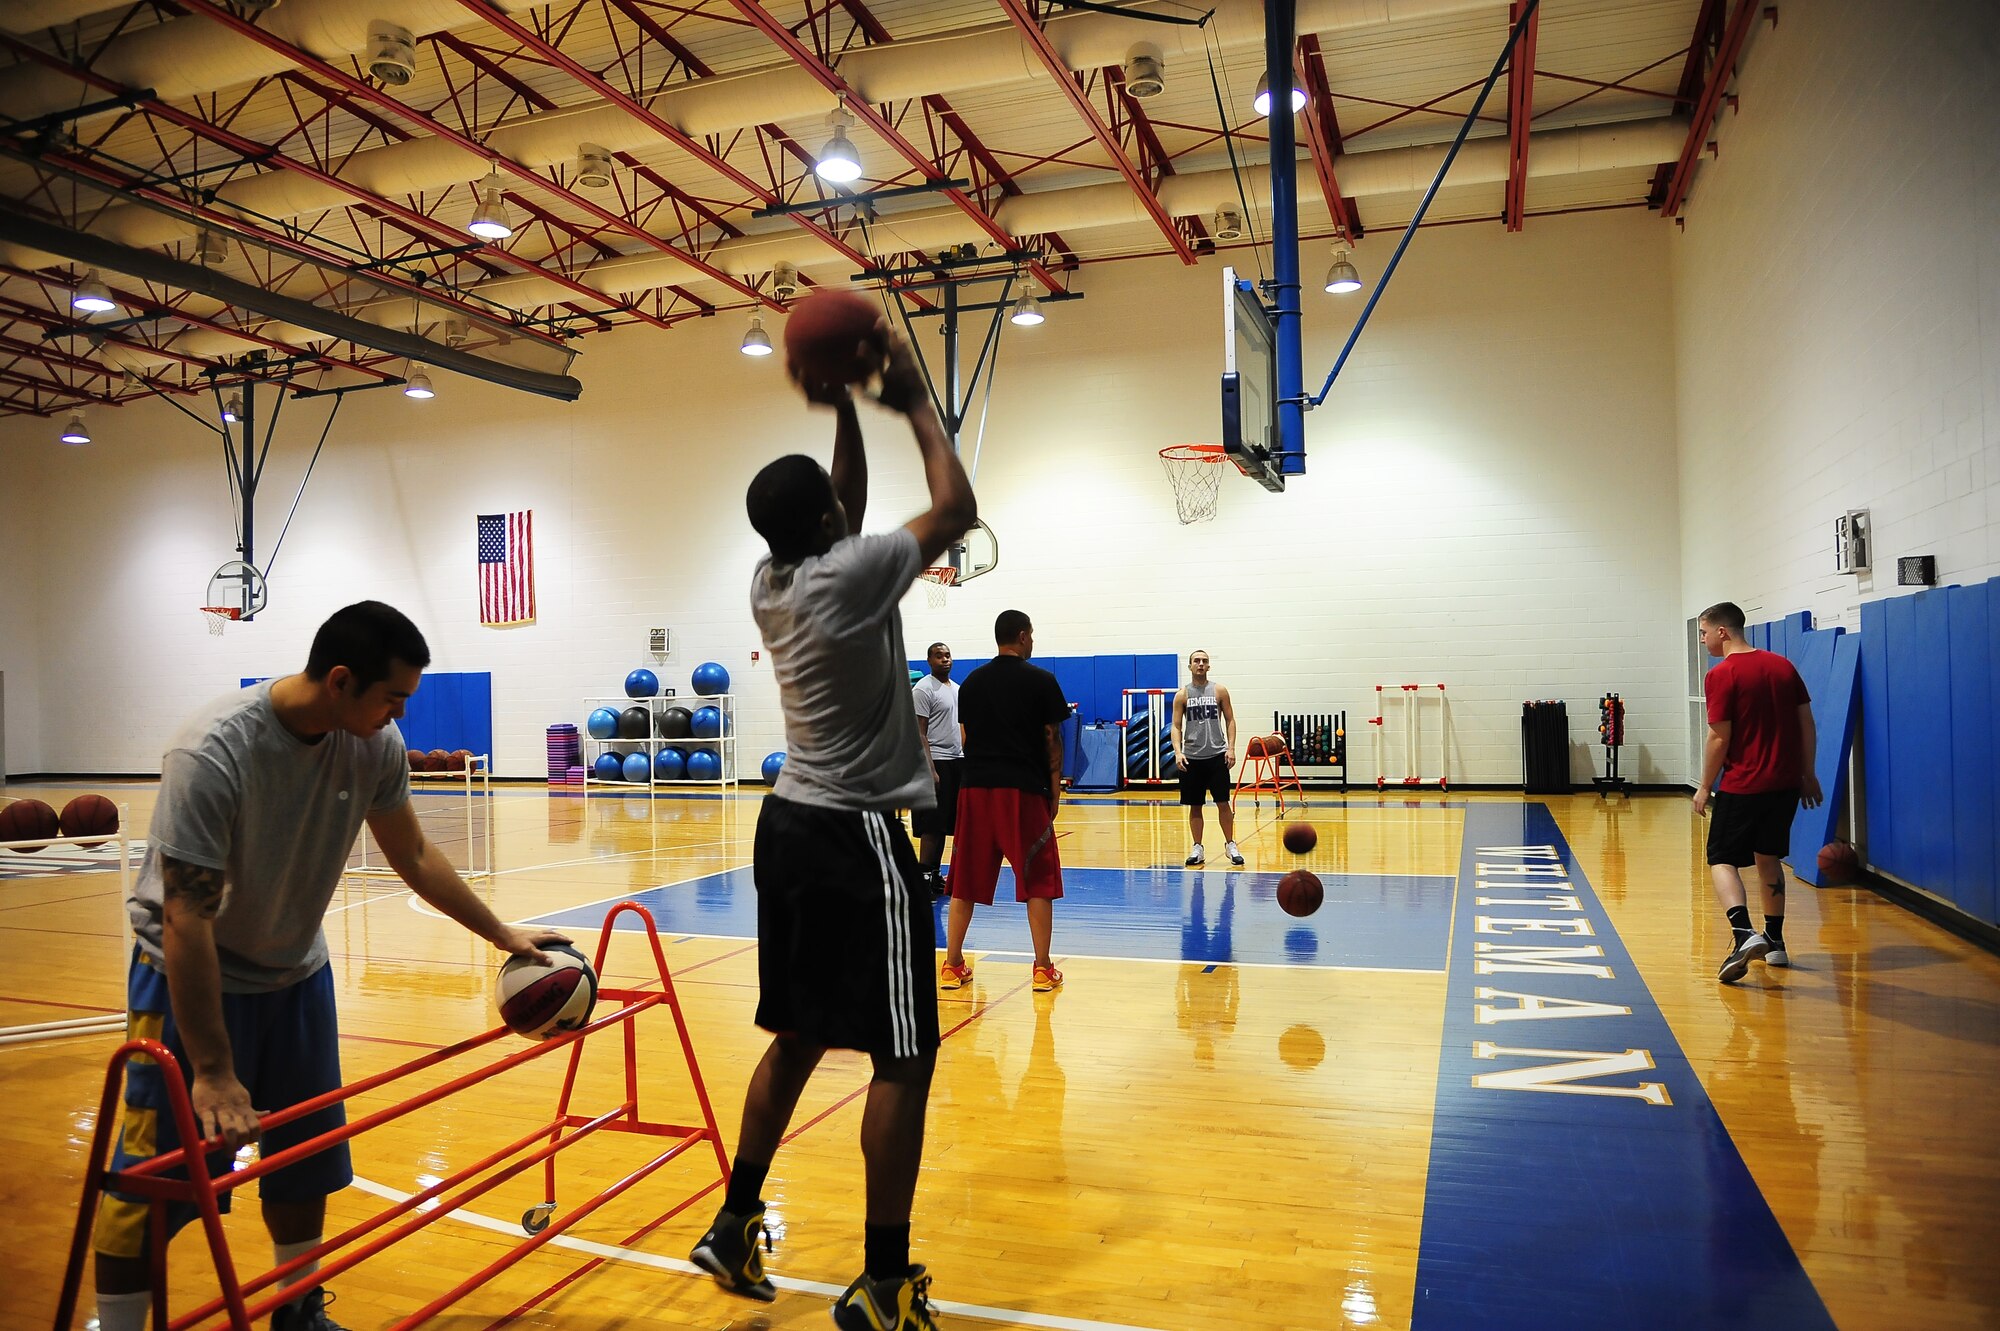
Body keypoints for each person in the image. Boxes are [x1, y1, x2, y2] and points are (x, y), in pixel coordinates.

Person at [91, 601, 569, 1331]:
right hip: (191, 979)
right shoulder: (214, 752)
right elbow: (188, 918)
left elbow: (411, 854)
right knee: (156, 1180)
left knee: (304, 1159)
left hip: (297, 975)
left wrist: (501, 933)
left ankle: (297, 1309)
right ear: (341, 680)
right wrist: (214, 1067)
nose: (400, 713)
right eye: (393, 697)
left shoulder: (373, 743)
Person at [689, 322, 974, 1331]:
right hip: (856, 837)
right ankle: (883, 1281)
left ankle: (731, 1218)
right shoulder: (849, 577)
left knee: (801, 1032)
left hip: (786, 827)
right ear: (823, 523)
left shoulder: (772, 580)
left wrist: (838, 409)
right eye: (834, 508)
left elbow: (839, 502)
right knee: (904, 1054)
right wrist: (905, 400)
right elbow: (956, 508)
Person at [938, 610, 1071, 994]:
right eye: (1032, 636)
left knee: (963, 880)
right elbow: (1053, 741)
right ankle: (1043, 970)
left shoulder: (972, 684)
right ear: (1024, 636)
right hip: (1023, 791)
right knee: (1038, 881)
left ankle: (952, 965)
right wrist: (1054, 791)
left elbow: (966, 737)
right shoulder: (1042, 681)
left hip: (974, 790)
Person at [1692, 601, 1822, 984]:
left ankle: (1742, 934)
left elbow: (1719, 736)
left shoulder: (1723, 674)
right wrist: (1808, 774)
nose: (1702, 640)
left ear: (1722, 631)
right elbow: (1807, 724)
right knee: (1769, 858)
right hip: (1784, 785)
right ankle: (1776, 943)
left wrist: (1703, 786)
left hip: (1743, 784)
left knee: (1720, 857)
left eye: (1703, 632)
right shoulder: (1783, 667)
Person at [1171, 650, 1242, 866]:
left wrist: (1230, 748)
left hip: (1216, 756)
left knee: (1223, 803)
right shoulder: (1182, 695)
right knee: (1195, 806)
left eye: (1204, 661)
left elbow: (1230, 720)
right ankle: (1198, 847)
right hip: (1192, 759)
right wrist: (1177, 751)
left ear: (1208, 666)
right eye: (1196, 661)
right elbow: (1176, 726)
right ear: (1190, 666)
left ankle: (1230, 844)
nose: (1201, 664)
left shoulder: (1219, 690)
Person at [910, 642, 962, 898]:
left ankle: (934, 875)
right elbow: (919, 732)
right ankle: (923, 877)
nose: (945, 659)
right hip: (934, 761)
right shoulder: (923, 689)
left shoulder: (958, 690)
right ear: (930, 661)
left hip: (955, 761)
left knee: (943, 824)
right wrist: (929, 769)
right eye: (939, 656)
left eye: (948, 655)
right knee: (931, 824)